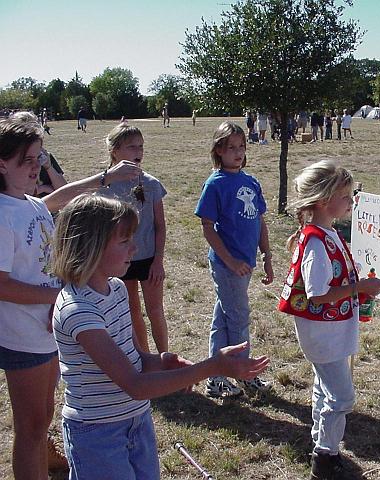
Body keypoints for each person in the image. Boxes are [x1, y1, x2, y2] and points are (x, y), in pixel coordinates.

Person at [51, 194, 270, 478]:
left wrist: (163, 360)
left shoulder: (116, 289)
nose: (135, 247)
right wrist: (212, 367)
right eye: (124, 241)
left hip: (136, 419)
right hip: (97, 433)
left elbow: (135, 359)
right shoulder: (78, 311)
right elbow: (135, 384)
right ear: (89, 247)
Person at [0, 115, 141, 479]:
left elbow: (60, 197)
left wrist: (103, 179)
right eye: (27, 161)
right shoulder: (1, 214)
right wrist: (55, 296)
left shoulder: (26, 203)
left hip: (44, 331)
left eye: (39, 159)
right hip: (22, 335)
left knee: (42, 419)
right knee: (31, 428)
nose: (37, 168)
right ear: (1, 163)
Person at [278, 160, 380, 480]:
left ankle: (322, 447)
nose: (351, 201)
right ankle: (325, 457)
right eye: (346, 196)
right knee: (341, 397)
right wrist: (359, 288)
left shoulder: (328, 233)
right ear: (325, 200)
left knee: (324, 389)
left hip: (328, 332)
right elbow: (317, 294)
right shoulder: (315, 242)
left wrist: (359, 289)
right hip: (323, 335)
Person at [195, 121, 274, 398]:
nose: (238, 153)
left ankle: (216, 377)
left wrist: (266, 255)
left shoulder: (250, 181)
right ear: (219, 150)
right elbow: (207, 226)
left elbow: (260, 221)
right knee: (238, 320)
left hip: (246, 262)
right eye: (231, 148)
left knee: (224, 319)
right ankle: (244, 374)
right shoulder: (215, 184)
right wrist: (228, 261)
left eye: (242, 146)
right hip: (229, 265)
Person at [100, 123, 168, 354]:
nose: (138, 152)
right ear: (114, 151)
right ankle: (144, 358)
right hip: (120, 260)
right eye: (131, 147)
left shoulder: (151, 184)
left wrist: (158, 261)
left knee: (155, 310)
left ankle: (165, 358)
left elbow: (160, 225)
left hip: (148, 258)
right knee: (131, 310)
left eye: (140, 146)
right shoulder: (104, 187)